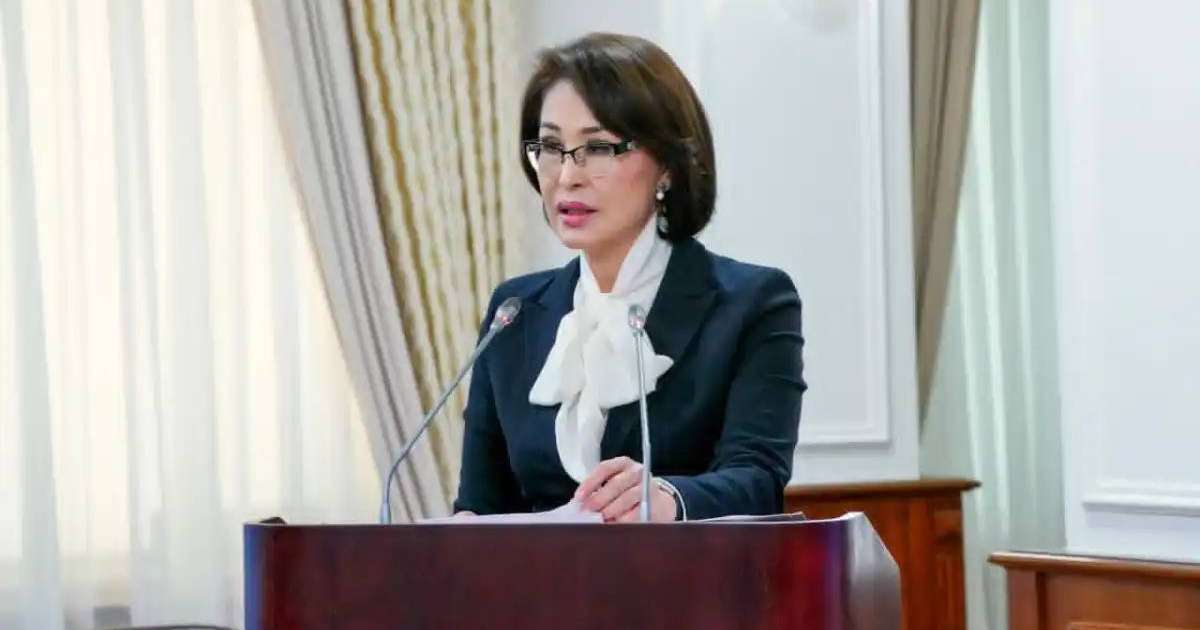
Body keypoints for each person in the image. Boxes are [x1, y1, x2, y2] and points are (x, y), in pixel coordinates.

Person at [453, 32, 806, 522]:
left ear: (668, 166)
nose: (567, 176)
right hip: (534, 575)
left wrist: (667, 498)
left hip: (684, 571)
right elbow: (480, 507)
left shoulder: (752, 303)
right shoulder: (513, 312)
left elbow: (758, 480)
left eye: (598, 147)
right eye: (551, 146)